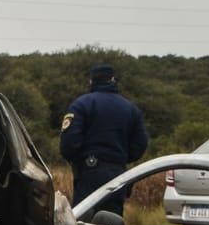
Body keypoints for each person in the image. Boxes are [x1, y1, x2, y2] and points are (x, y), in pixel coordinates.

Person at [60, 63, 149, 215]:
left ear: (91, 81)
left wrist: (79, 159)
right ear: (113, 80)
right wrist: (120, 158)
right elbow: (140, 145)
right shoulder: (131, 108)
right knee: (112, 223)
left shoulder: (81, 105)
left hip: (89, 172)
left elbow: (69, 144)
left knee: (84, 222)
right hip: (118, 172)